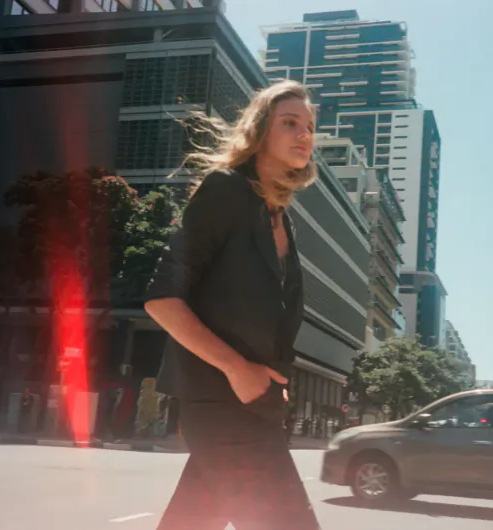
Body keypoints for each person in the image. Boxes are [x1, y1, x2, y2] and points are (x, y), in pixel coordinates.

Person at [144, 80, 321, 530]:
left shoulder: (279, 217)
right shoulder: (226, 191)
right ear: (260, 131)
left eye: (309, 126)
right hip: (220, 403)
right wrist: (237, 368)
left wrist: (270, 379)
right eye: (290, 123)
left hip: (257, 406)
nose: (304, 134)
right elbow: (162, 299)